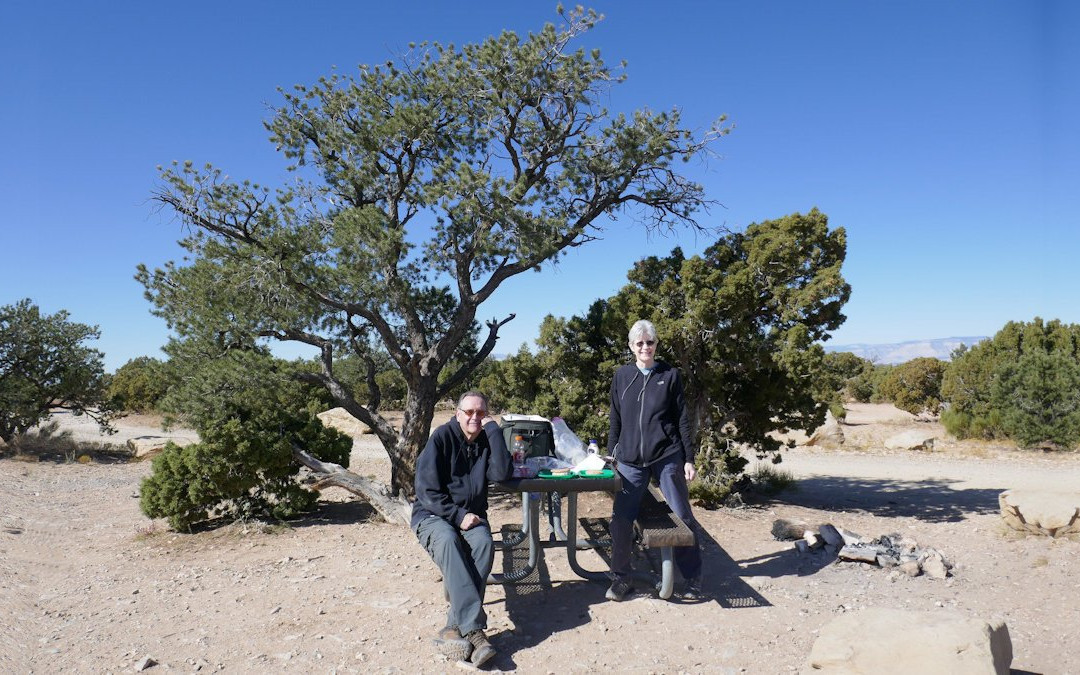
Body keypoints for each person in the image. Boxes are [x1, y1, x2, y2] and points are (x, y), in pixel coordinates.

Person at [606, 319, 704, 601]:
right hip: (630, 460)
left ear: (656, 345)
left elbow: (682, 420)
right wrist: (612, 452)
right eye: (640, 343)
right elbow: (616, 418)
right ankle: (621, 578)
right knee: (621, 519)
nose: (645, 347)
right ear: (631, 347)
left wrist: (688, 458)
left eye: (650, 342)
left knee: (682, 516)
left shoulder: (670, 375)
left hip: (666, 455)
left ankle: (693, 576)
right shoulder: (622, 376)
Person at [412, 390, 511, 667]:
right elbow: (425, 490)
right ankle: (475, 634)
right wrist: (457, 515)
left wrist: (493, 430)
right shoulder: (442, 438)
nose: (475, 418)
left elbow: (502, 473)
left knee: (484, 544)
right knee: (448, 541)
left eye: (481, 413)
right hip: (433, 515)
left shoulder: (486, 440)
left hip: (473, 517)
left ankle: (453, 627)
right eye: (469, 412)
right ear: (458, 414)